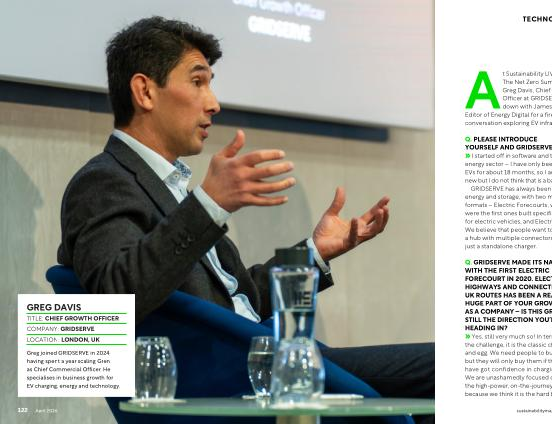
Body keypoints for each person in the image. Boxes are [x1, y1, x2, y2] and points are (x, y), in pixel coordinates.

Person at [58, 16, 433, 423]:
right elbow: (111, 302)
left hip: (261, 363)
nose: (213, 103)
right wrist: (207, 205)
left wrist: (315, 253)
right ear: (145, 91)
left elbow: (241, 301)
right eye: (198, 82)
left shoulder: (168, 187)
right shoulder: (103, 182)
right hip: (227, 385)